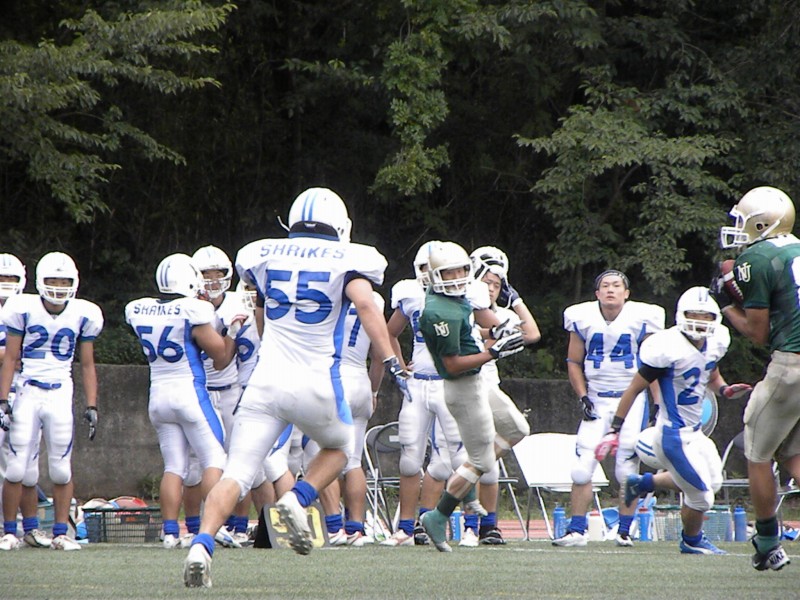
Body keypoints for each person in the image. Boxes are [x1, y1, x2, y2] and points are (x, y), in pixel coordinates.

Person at [183, 187, 408, 587]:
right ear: (340, 224)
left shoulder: (262, 253)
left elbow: (261, 310)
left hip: (265, 382)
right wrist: (390, 359)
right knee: (341, 448)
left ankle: (201, 545)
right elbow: (365, 304)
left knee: (236, 472)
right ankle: (296, 498)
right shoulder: (352, 258)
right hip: (317, 383)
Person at [598, 286, 751, 554]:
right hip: (672, 436)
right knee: (702, 497)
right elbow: (633, 389)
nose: (700, 322)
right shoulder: (666, 346)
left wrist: (725, 390)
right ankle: (691, 541)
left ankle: (642, 483)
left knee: (714, 483)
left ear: (715, 319)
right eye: (694, 315)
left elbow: (711, 373)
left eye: (705, 316)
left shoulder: (716, 342)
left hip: (696, 434)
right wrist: (614, 429)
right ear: (681, 315)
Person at [417, 241, 528, 552]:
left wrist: (495, 333)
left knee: (517, 429)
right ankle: (438, 516)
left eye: (460, 271)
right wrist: (493, 352)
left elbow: (470, 328)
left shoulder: (456, 300)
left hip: (477, 381)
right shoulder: (438, 312)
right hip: (462, 387)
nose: (456, 278)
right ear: (434, 276)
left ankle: (465, 486)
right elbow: (452, 364)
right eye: (448, 273)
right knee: (481, 461)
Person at [711, 185, 799, 571]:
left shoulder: (757, 257)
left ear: (763, 223)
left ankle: (767, 542)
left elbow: (757, 332)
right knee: (793, 454)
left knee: (758, 453)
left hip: (792, 367)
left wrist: (726, 304)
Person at [125, 253, 234, 549]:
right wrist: (233, 333)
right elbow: (221, 357)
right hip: (189, 394)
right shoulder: (193, 310)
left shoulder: (139, 309)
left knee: (174, 466)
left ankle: (171, 532)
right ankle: (214, 526)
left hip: (158, 397)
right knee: (215, 459)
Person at [0, 252, 103, 551]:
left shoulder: (84, 314)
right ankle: (10, 531)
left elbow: (87, 364)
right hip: (28, 390)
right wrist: (3, 399)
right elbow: (11, 358)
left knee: (61, 468)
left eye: (64, 281)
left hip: (60, 391)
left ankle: (60, 533)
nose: (58, 287)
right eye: (53, 281)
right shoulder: (23, 309)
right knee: (17, 469)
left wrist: (92, 404)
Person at [554, 269, 665, 547]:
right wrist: (583, 396)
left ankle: (624, 531)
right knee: (582, 468)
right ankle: (576, 530)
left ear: (626, 293)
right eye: (605, 285)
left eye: (616, 285)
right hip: (597, 398)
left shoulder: (642, 317)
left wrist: (657, 402)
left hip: (632, 399)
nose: (610, 290)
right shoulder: (582, 317)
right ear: (597, 293)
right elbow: (573, 362)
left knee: (626, 469)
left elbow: (652, 364)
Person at [467, 246, 540, 544]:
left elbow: (532, 334)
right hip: (466, 387)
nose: (491, 289)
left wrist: (517, 300)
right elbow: (484, 338)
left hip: (490, 386)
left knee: (488, 464)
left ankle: (488, 525)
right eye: (486, 282)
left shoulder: (504, 314)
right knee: (463, 458)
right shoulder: (464, 309)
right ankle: (468, 525)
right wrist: (497, 332)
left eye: (497, 285)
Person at [0, 254, 45, 550]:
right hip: (3, 393)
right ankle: (6, 528)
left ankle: (30, 528)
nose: (6, 284)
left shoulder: (32, 309)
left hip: (27, 391)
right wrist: (11, 357)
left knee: (28, 465)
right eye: (1, 278)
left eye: (11, 278)